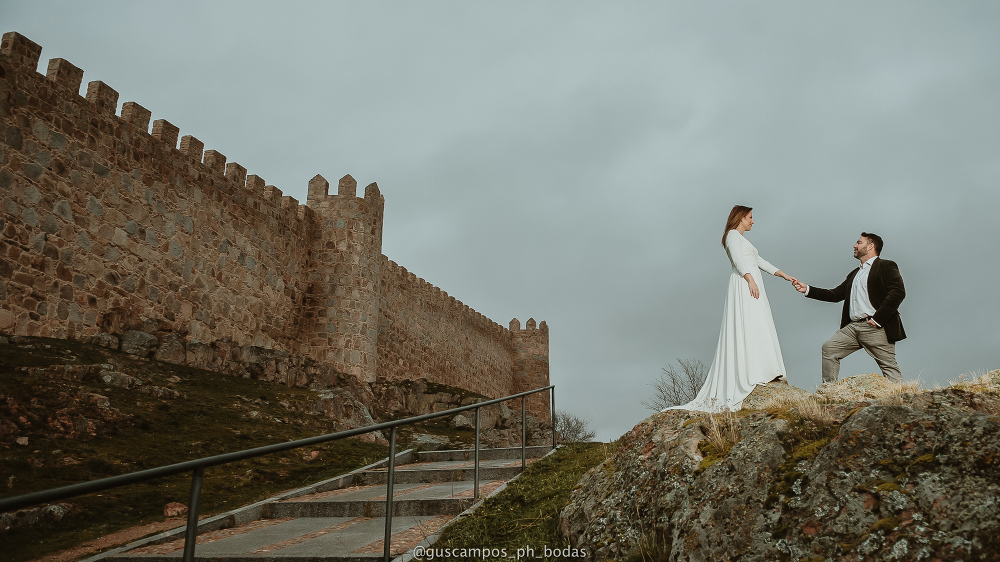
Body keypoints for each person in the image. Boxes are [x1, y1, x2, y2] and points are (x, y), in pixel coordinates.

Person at [667, 205, 797, 412]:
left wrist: (784, 275)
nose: (753, 221)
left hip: (751, 282)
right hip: (744, 284)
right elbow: (738, 260)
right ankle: (752, 372)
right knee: (749, 323)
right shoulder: (732, 236)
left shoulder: (743, 240)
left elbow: (759, 261)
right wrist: (750, 280)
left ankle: (765, 368)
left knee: (759, 322)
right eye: (751, 217)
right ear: (741, 217)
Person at [792, 232, 905, 383]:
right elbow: (835, 294)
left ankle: (902, 397)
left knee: (888, 366)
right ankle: (829, 391)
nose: (855, 245)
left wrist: (878, 319)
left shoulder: (886, 265)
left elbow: (898, 292)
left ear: (871, 246)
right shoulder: (855, 273)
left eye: (859, 242)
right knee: (829, 348)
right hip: (852, 328)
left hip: (875, 326)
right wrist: (807, 289)